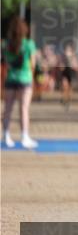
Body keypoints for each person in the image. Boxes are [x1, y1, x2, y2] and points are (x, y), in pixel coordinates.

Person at [2, 16, 39, 148]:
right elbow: (33, 64)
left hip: (11, 79)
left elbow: (6, 62)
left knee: (7, 109)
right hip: (25, 79)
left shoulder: (6, 44)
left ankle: (6, 135)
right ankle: (24, 136)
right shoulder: (29, 44)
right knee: (24, 109)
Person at [59, 42, 78, 109]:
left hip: (71, 73)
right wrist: (61, 66)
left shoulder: (74, 57)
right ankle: (64, 98)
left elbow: (77, 66)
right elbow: (60, 65)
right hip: (65, 72)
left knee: (70, 88)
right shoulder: (63, 57)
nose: (68, 51)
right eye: (67, 49)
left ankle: (68, 100)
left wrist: (75, 66)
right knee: (65, 86)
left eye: (69, 49)